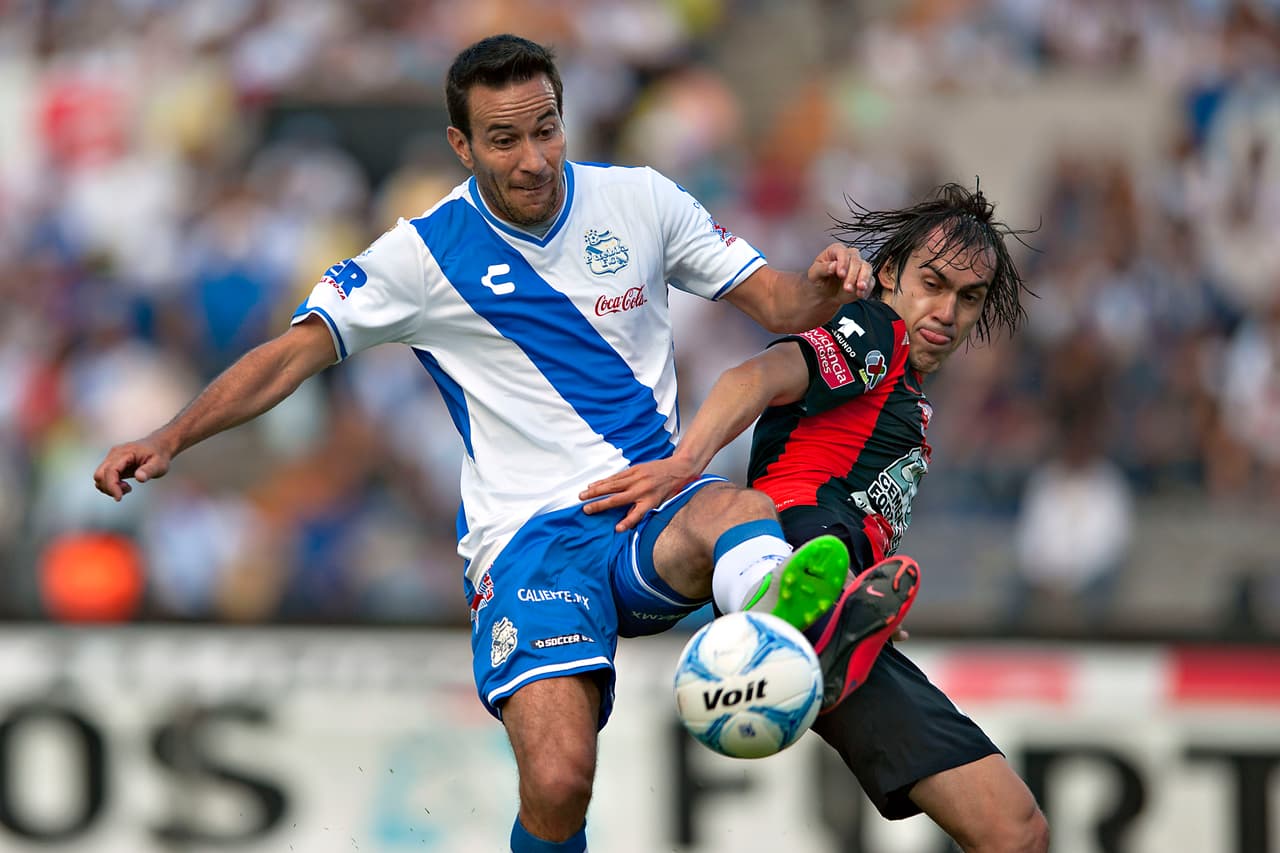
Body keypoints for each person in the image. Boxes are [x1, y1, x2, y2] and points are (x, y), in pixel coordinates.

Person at [92, 34, 917, 853]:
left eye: (547, 129)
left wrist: (825, 282)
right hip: (530, 546)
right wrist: (172, 435)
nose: (533, 157)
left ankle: (794, 640)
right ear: (462, 144)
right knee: (559, 781)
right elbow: (291, 355)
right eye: (504, 138)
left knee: (735, 507)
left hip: (646, 505)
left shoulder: (642, 201)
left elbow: (778, 305)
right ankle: (783, 632)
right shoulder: (422, 255)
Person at [582, 183, 1051, 851]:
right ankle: (807, 611)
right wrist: (684, 462)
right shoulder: (877, 331)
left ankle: (833, 618)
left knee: (1016, 830)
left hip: (821, 584)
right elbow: (761, 373)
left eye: (968, 297)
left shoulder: (907, 394)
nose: (946, 310)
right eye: (933, 282)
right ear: (890, 272)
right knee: (1015, 829)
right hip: (794, 541)